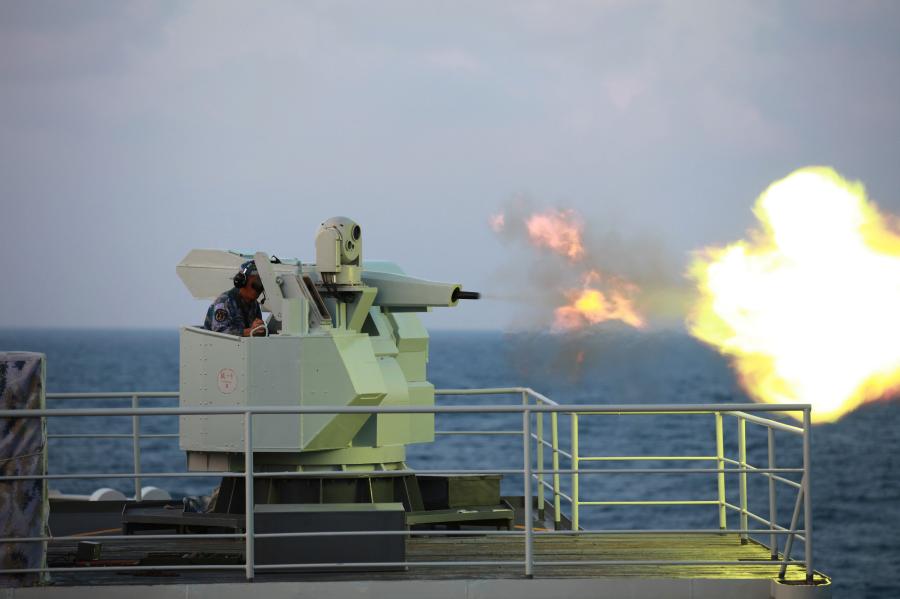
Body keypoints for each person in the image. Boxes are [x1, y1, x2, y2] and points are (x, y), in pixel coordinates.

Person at [204, 260, 266, 336]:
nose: (259, 290)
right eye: (256, 284)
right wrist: (251, 331)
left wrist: (261, 329)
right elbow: (219, 332)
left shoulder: (254, 304)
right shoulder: (224, 302)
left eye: (261, 286)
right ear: (242, 282)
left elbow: (255, 331)